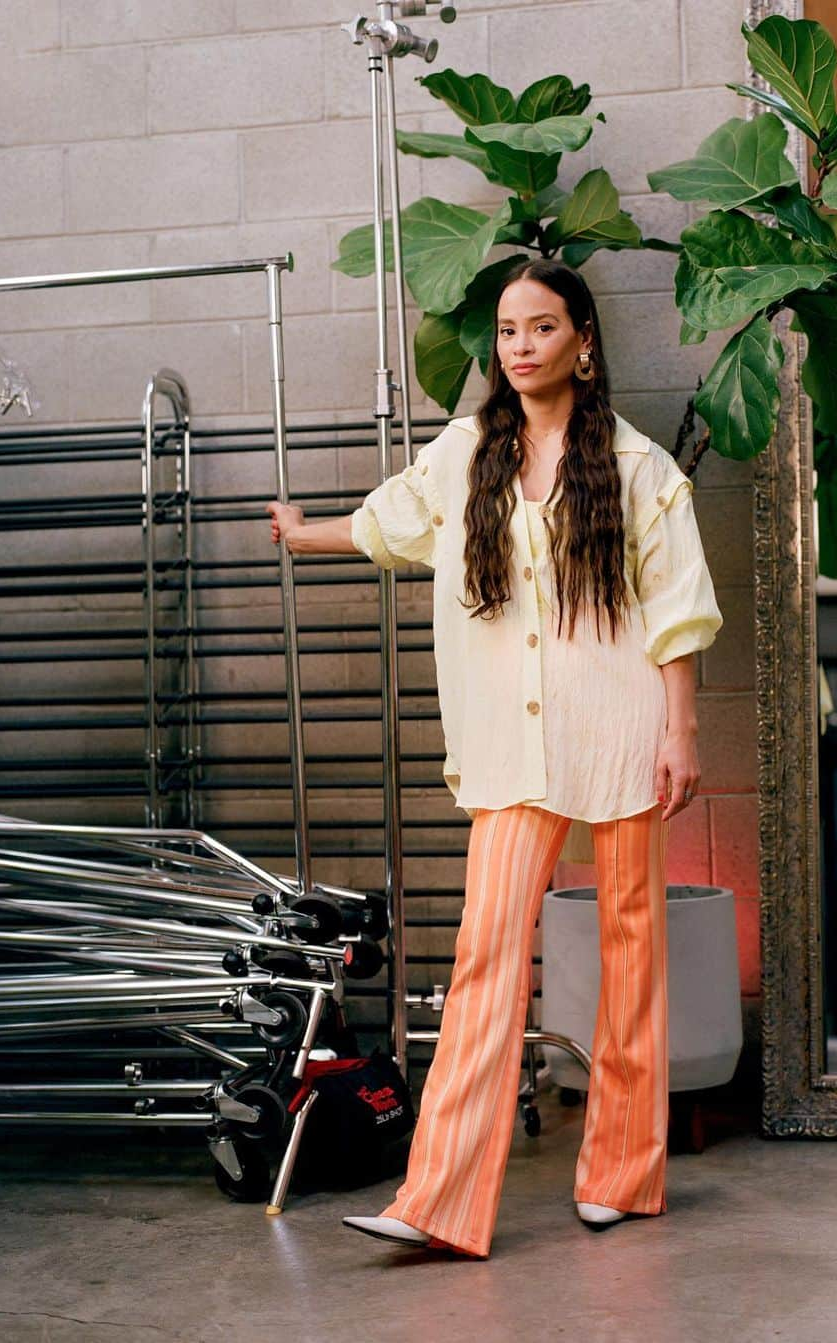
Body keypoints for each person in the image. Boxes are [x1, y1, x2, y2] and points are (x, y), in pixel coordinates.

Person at [266, 257, 723, 1259]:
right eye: (508, 330)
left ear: (582, 341)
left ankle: (625, 1173)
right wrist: (309, 536)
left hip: (621, 728)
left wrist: (680, 731)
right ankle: (439, 1199)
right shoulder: (469, 449)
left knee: (631, 949)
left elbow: (680, 608)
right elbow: (397, 520)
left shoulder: (642, 467)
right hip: (513, 741)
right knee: (484, 957)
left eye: (541, 327)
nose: (519, 345)